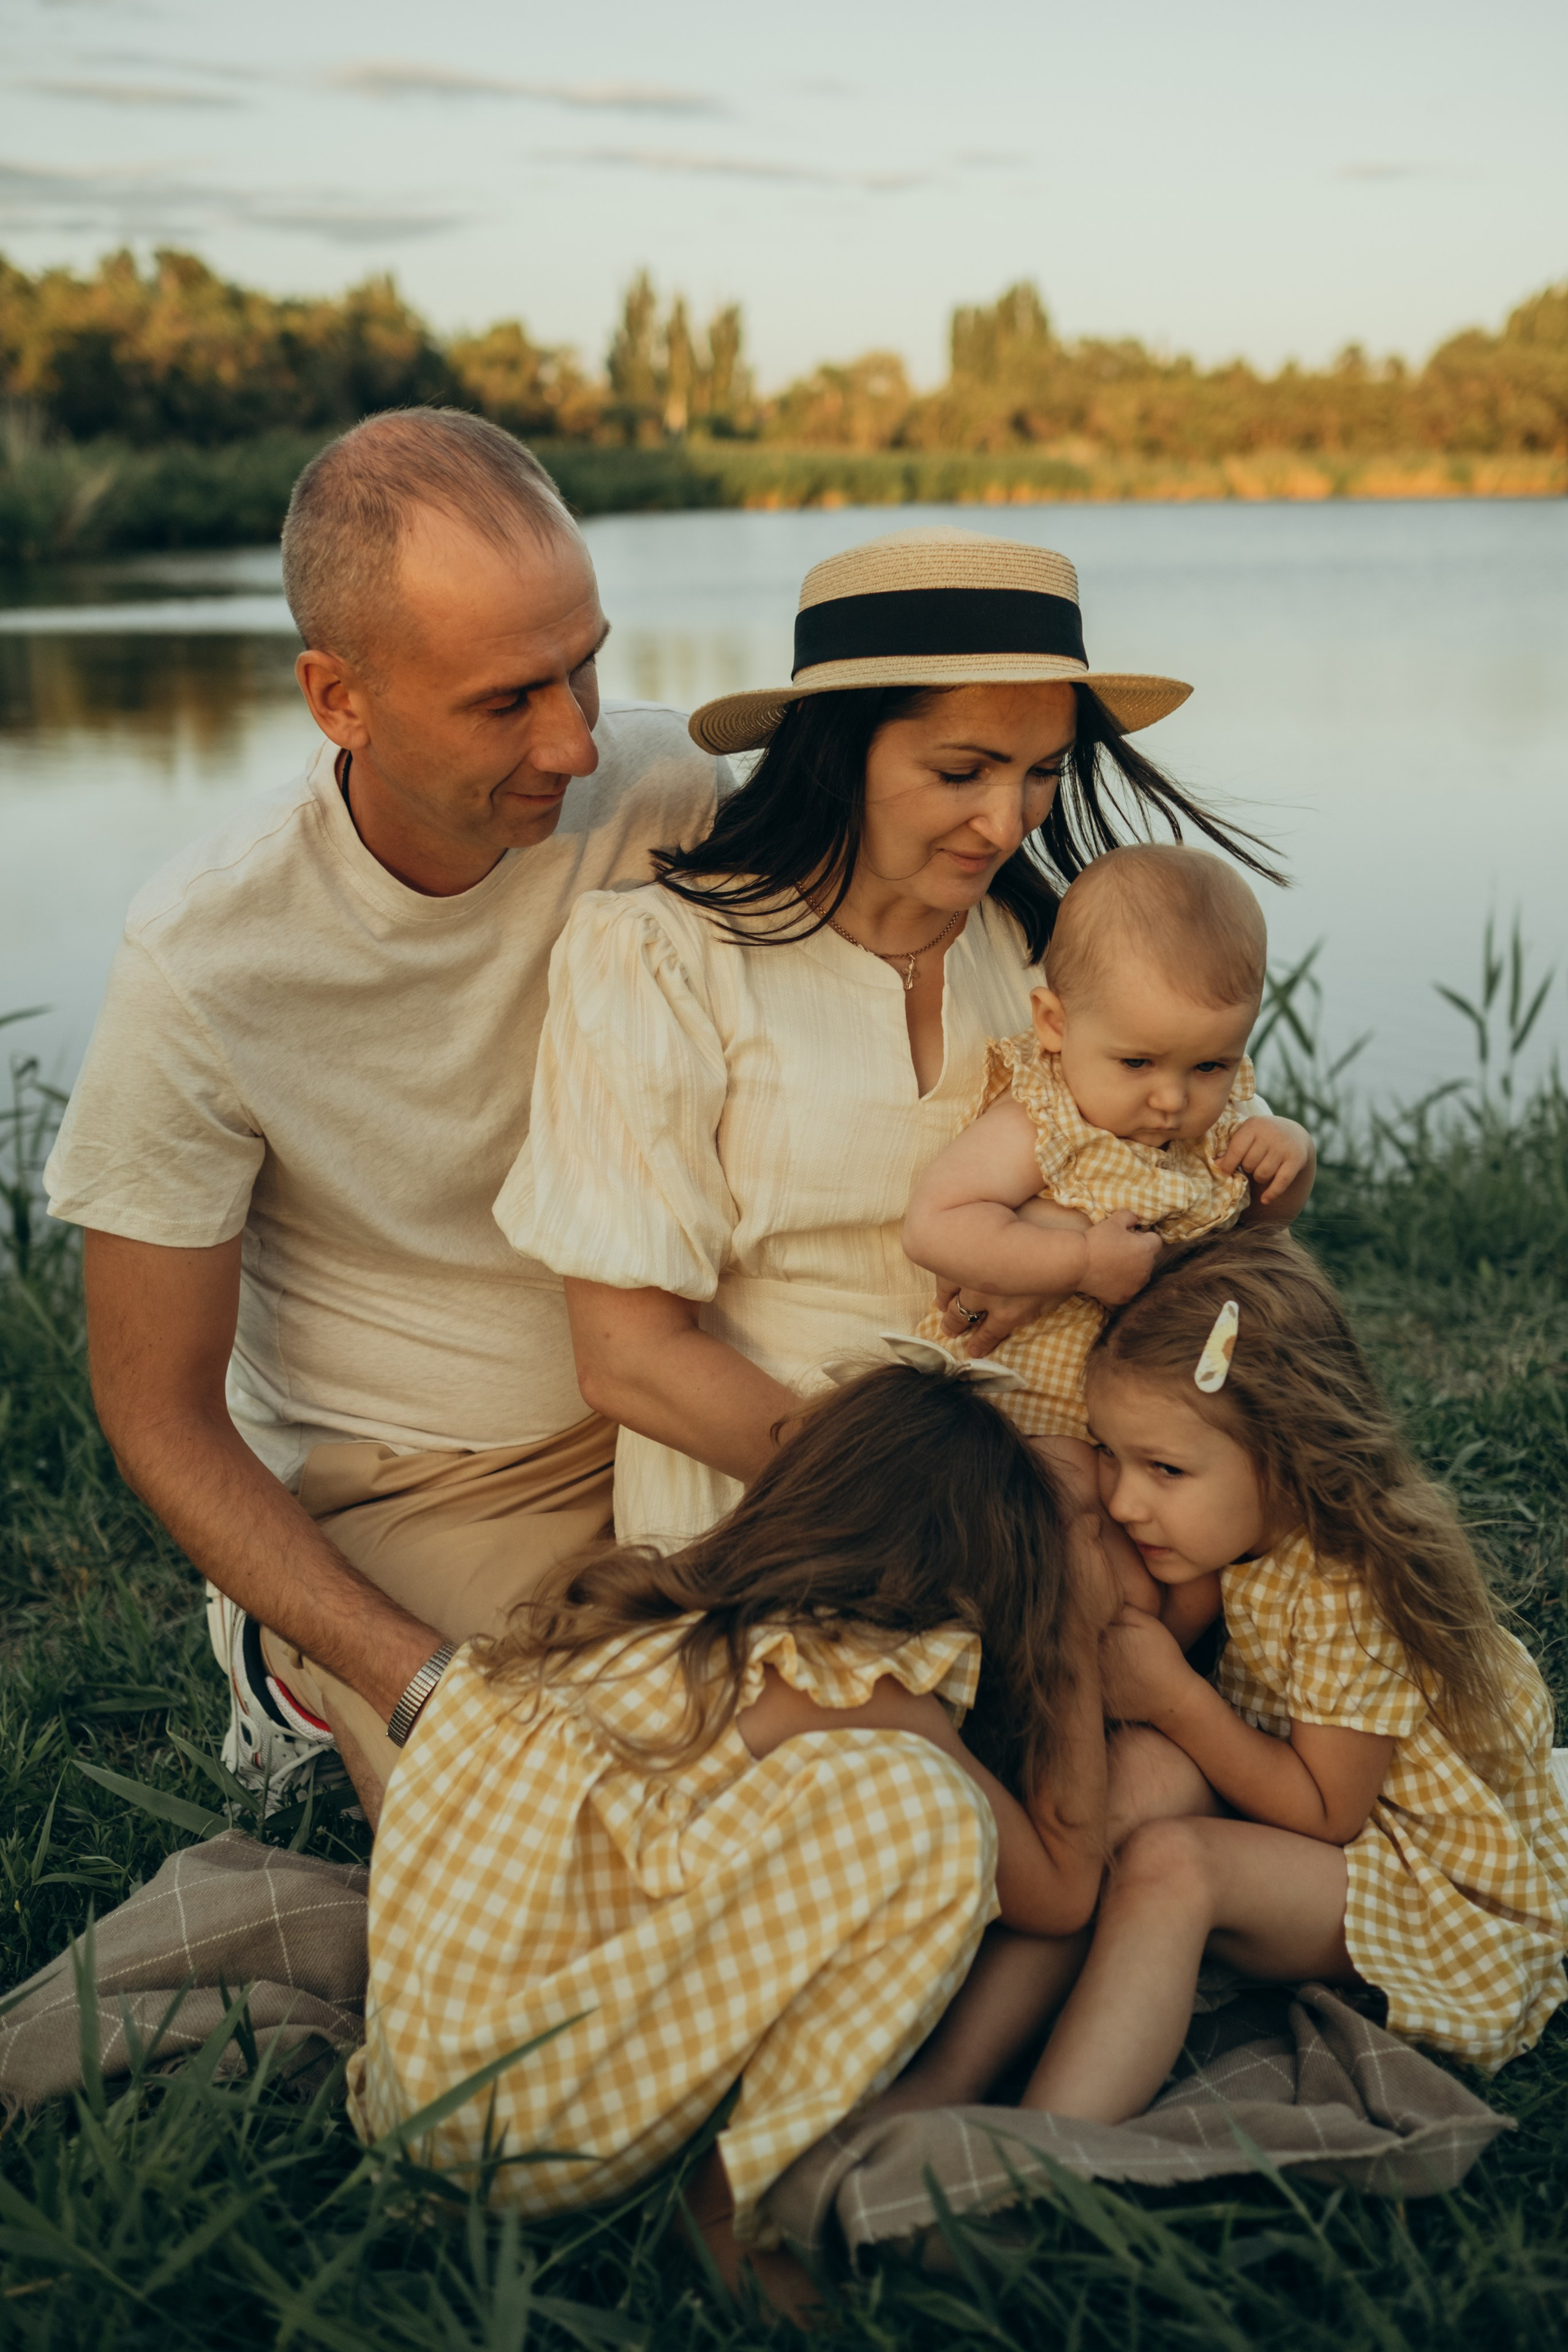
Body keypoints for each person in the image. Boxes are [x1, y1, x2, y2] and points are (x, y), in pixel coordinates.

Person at [43, 408, 729, 1799]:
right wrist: (414, 1679)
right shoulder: (205, 957)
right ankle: (290, 1670)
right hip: (424, 1482)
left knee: (921, 1718)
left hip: (692, 1400)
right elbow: (158, 1413)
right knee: (560, 1814)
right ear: (337, 699)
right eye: (506, 701)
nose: (574, 743)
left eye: (584, 668)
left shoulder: (673, 795)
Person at [500, 526, 1283, 1548]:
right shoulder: (659, 958)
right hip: (783, 1498)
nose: (1009, 823)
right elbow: (629, 1360)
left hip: (1074, 1489)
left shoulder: (1053, 955)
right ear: (839, 752)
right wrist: (935, 1510)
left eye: (1042, 772)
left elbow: (1201, 1182)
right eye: (962, 772)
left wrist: (1069, 1259)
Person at [348, 1355, 1117, 2297]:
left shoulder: (636, 1620)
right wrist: (1075, 1631)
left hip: (413, 2105)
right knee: (934, 1816)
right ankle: (728, 2208)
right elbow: (1061, 1890)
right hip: (522, 2141)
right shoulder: (842, 1679)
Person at [1014, 1227, 1568, 2118]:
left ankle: (1045, 2143)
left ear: (1288, 1454)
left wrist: (1176, 1698)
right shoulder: (1225, 1538)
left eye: (1164, 1468)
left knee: (1172, 1865)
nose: (1122, 1500)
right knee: (1126, 1791)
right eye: (1110, 1453)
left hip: (1413, 1873)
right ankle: (958, 2074)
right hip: (1310, 1820)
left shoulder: (1352, 1586)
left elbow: (1327, 1811)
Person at [903, 844, 1316, 1507]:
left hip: (1160, 1413)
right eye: (1137, 1063)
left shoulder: (1226, 1120)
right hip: (1032, 1403)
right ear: (1055, 1024)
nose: (1172, 1100)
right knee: (1073, 1515)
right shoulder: (1044, 1119)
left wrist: (1291, 1158)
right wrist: (1080, 1263)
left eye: (1210, 1066)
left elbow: (1261, 1229)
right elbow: (934, 1226)